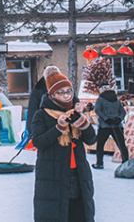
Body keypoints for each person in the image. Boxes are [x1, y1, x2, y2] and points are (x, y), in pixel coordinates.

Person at [31, 71, 96, 222]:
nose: (66, 95)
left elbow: (92, 140)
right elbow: (38, 142)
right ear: (52, 94)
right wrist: (58, 129)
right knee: (55, 214)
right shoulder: (41, 115)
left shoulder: (76, 113)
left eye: (69, 91)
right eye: (61, 92)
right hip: (52, 175)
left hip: (78, 174)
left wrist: (84, 124)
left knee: (79, 214)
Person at [92, 84, 128, 169]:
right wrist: (118, 119)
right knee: (121, 144)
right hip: (117, 126)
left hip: (105, 126)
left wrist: (106, 119)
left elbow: (97, 110)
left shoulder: (100, 99)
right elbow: (122, 112)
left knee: (100, 145)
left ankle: (99, 163)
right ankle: (126, 162)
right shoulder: (116, 99)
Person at [27, 66, 58, 137]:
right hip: (44, 127)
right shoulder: (38, 90)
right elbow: (32, 111)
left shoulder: (63, 88)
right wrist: (32, 130)